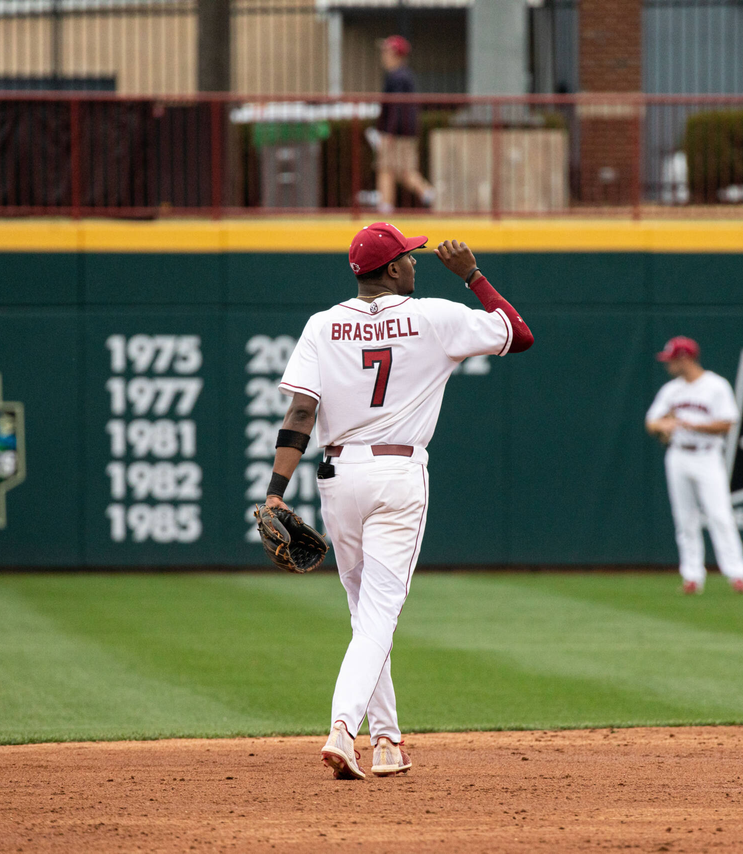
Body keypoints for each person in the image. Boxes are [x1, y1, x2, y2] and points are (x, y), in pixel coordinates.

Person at [268, 222, 534, 780]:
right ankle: (343, 728)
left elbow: (299, 414)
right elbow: (518, 332)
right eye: (410, 257)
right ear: (391, 270)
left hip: (336, 476)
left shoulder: (322, 324)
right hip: (396, 474)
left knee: (366, 614)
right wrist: (473, 276)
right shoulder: (433, 315)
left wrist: (274, 492)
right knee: (379, 615)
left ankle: (387, 741)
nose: (416, 262)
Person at [645, 336, 743, 595]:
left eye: (671, 359)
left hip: (707, 455)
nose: (668, 364)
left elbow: (727, 423)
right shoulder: (671, 390)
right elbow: (651, 422)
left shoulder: (715, 386)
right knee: (685, 519)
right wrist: (664, 425)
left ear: (685, 358)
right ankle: (692, 576)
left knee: (719, 516)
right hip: (678, 455)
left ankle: (737, 574)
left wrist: (689, 424)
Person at [368, 35, 435, 213]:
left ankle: (386, 206)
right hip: (404, 131)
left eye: (387, 51)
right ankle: (426, 193)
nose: (383, 55)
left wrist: (387, 132)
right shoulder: (402, 75)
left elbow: (396, 106)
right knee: (401, 170)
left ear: (396, 54)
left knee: (386, 168)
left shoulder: (398, 76)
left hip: (398, 132)